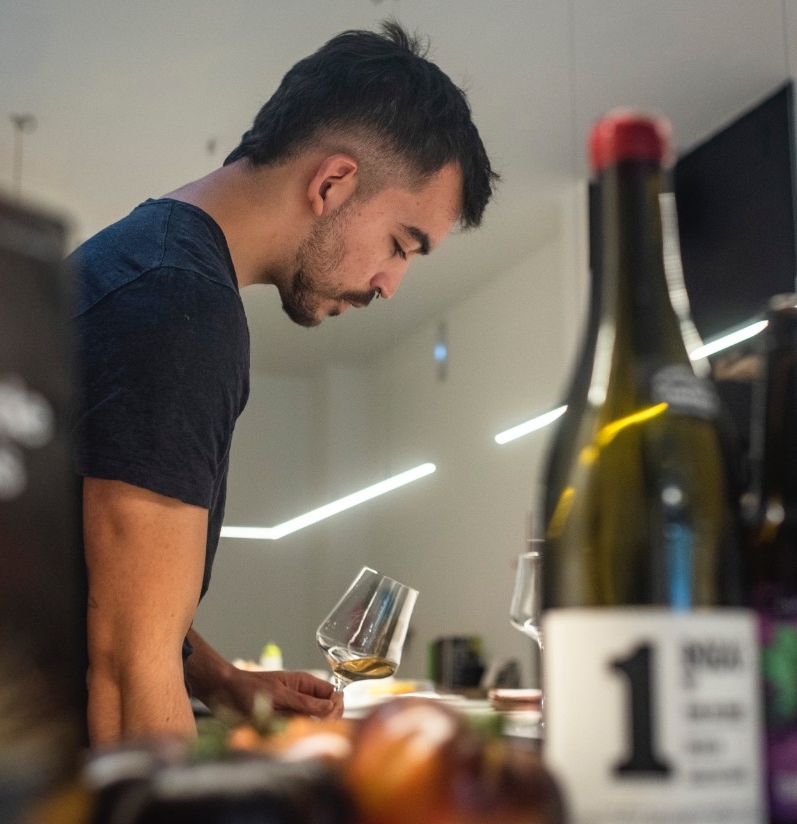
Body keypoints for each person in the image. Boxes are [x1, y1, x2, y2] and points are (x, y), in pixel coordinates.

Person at [70, 21, 497, 746]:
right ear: (333, 182)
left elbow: (100, 584)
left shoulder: (148, 266)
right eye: (401, 245)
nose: (392, 285)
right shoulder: (180, 306)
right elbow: (124, 668)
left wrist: (222, 680)